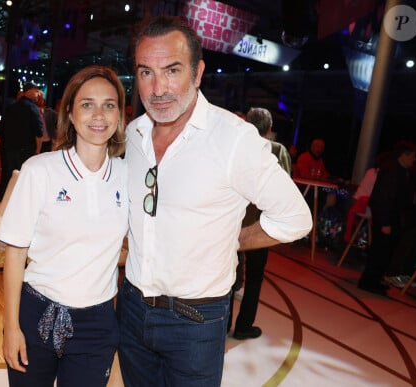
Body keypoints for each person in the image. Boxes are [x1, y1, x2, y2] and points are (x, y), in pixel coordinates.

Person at [117, 16, 312, 386]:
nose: (158, 88)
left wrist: (234, 240)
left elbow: (295, 219)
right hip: (131, 306)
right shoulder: (134, 132)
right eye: (146, 72)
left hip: (195, 320)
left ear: (198, 71)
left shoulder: (234, 139)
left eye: (172, 70)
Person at [0, 65, 128, 387]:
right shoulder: (39, 170)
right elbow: (15, 255)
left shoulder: (129, 176)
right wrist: (11, 327)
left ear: (119, 115)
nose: (99, 114)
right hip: (35, 314)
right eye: (87, 104)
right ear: (69, 112)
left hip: (97, 323)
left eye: (109, 104)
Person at [227, 107, 292, 340]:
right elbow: (285, 187)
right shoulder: (277, 150)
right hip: (260, 227)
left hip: (231, 223)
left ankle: (221, 326)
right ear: (270, 128)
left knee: (227, 275)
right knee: (254, 278)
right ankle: (244, 327)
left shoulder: (234, 146)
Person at [358, 141, 416, 296]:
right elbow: (384, 198)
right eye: (412, 156)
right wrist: (385, 222)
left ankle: (375, 280)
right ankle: (369, 282)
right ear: (404, 155)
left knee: (385, 251)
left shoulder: (399, 170)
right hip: (386, 218)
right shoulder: (392, 170)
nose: (414, 159)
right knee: (380, 251)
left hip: (392, 217)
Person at [0, 82, 44, 207]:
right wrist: (37, 151)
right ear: (29, 91)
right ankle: (17, 205)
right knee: (22, 178)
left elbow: (1, 129)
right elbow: (39, 132)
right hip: (25, 149)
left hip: (8, 147)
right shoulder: (33, 108)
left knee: (7, 174)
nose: (38, 94)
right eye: (36, 91)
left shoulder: (11, 107)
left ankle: (1, 200)